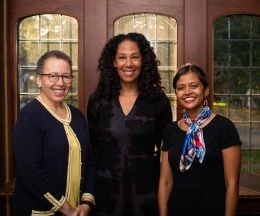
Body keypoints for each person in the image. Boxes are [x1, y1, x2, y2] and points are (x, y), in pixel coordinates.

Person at [87, 32, 172, 215]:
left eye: (135, 57)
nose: (128, 64)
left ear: (143, 61)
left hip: (146, 195)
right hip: (106, 196)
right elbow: (93, 150)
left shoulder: (159, 101)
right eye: (122, 57)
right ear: (113, 62)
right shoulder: (98, 101)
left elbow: (166, 153)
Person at [12, 50, 95, 216]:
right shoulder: (30, 116)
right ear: (39, 80)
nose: (60, 82)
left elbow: (89, 161)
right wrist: (67, 209)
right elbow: (30, 172)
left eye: (66, 76)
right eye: (53, 76)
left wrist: (86, 203)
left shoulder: (77, 115)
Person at [158, 63, 242, 216]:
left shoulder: (224, 128)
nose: (187, 92)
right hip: (177, 209)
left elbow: (232, 185)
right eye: (181, 88)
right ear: (176, 94)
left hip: (213, 209)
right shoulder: (170, 131)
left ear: (206, 91)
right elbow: (165, 183)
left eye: (194, 86)